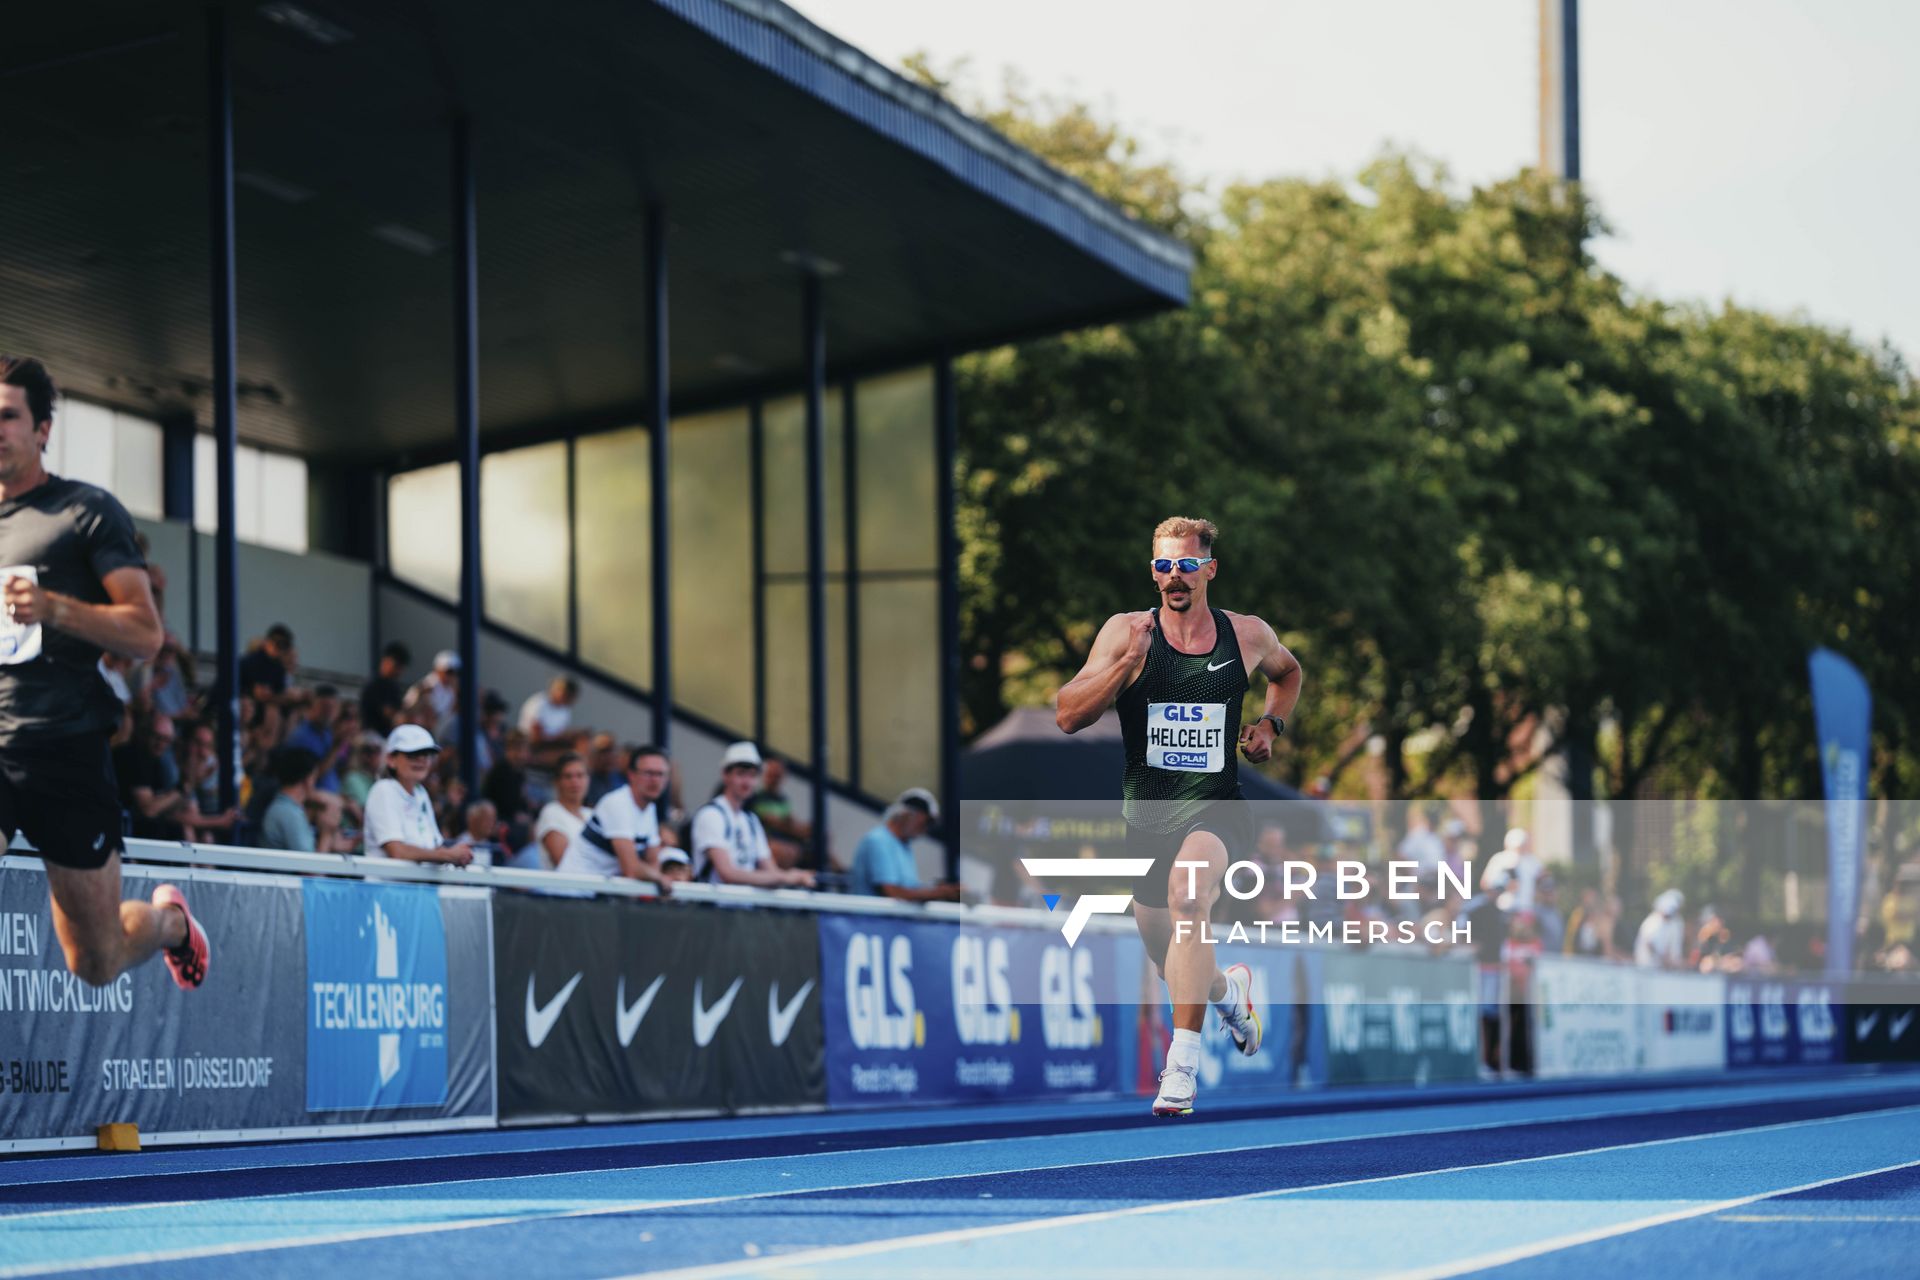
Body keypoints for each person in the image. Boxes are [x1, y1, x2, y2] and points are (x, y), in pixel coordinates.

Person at [1054, 515, 1301, 1116]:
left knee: (1190, 897)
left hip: (1217, 808)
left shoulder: (1245, 635)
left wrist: (1270, 725)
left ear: (1209, 569)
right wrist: (1125, 665)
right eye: (1163, 565)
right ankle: (1227, 994)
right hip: (1145, 819)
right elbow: (1067, 713)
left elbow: (1288, 674)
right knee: (1170, 955)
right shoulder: (1125, 632)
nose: (1174, 577)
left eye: (1186, 564)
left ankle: (1181, 1068)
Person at [0, 355, 207, 990]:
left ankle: (173, 923)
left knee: (96, 961)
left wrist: (57, 608)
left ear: (42, 430)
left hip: (67, 752)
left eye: (9, 416)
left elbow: (145, 633)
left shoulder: (84, 512)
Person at [693, 742, 815, 888]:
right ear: (725, 775)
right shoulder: (711, 815)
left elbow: (771, 872)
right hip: (712, 908)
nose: (747, 781)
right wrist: (786, 877)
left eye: (752, 775)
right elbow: (728, 874)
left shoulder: (751, 820)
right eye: (741, 773)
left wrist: (791, 876)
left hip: (744, 907)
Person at [556, 744, 672, 888]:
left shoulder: (650, 809)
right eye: (648, 773)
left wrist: (658, 877)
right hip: (569, 894)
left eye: (660, 774)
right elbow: (632, 869)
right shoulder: (617, 803)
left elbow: (653, 860)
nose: (655, 780)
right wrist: (661, 879)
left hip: (595, 895)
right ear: (631, 775)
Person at [362, 724, 471, 865]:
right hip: (387, 886)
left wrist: (458, 854)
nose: (422, 759)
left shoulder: (421, 793)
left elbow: (434, 847)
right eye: (412, 754)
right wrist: (448, 855)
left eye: (426, 754)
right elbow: (397, 851)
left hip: (420, 886)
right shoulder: (383, 790)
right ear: (391, 759)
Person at [849, 788, 958, 901]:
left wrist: (940, 890)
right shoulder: (878, 841)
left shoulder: (903, 846)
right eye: (925, 823)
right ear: (907, 815)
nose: (925, 830)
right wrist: (939, 894)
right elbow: (891, 892)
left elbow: (909, 888)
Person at [748, 756, 813, 869]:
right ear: (765, 775)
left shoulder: (784, 800)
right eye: (772, 775)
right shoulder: (756, 798)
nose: (775, 779)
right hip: (766, 840)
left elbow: (791, 822)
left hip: (783, 840)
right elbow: (775, 822)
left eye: (778, 776)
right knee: (786, 850)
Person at [534, 751, 592, 869]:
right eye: (568, 776)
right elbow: (566, 865)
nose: (574, 782)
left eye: (580, 775)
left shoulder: (591, 814)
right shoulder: (551, 813)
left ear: (588, 780)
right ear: (557, 782)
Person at [359, 642, 411, 735]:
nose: (398, 671)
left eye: (401, 668)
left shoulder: (394, 686)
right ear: (385, 661)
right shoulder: (375, 685)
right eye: (396, 666)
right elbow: (390, 714)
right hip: (373, 736)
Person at [238, 623, 295, 706]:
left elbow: (280, 691)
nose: (279, 648)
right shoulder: (250, 661)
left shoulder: (279, 669)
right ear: (267, 642)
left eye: (284, 645)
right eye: (278, 643)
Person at [1634, 889, 1686, 969]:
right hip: (1648, 967)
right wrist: (1663, 958)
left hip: (1661, 968)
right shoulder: (1652, 922)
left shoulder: (1674, 924)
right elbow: (1650, 944)